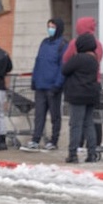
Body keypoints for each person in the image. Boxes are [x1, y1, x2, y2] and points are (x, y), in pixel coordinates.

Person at [25, 18, 68, 151]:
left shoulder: (63, 44)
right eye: (49, 26)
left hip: (53, 86)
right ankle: (36, 139)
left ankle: (53, 141)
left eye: (53, 27)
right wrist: (34, 80)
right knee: (39, 115)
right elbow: (38, 62)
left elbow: (63, 66)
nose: (50, 29)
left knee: (55, 116)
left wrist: (57, 85)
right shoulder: (44, 43)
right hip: (40, 85)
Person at [62, 32, 102, 163]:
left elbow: (65, 70)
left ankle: (72, 154)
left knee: (76, 124)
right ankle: (92, 153)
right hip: (91, 95)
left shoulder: (78, 58)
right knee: (89, 124)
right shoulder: (94, 59)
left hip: (78, 95)